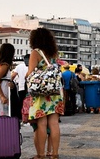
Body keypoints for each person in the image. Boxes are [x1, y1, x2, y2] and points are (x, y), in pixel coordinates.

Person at [26, 27, 64, 159]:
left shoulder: (35, 53)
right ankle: (55, 153)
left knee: (41, 123)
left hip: (41, 94)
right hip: (55, 93)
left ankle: (41, 154)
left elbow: (30, 74)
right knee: (54, 123)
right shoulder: (54, 53)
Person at [11, 54, 29, 121]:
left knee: (21, 103)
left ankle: (21, 116)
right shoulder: (32, 66)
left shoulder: (19, 66)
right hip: (30, 88)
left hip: (21, 87)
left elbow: (13, 76)